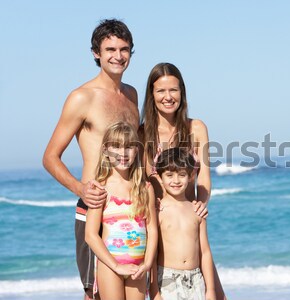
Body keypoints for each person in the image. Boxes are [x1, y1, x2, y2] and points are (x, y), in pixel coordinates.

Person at [42, 19, 139, 300]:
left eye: (124, 49)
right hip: (95, 208)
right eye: (110, 49)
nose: (117, 56)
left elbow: (134, 152)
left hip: (130, 207)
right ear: (96, 52)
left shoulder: (131, 95)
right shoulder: (81, 97)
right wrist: (80, 188)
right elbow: (50, 157)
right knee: (93, 294)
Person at [140, 62, 227, 299]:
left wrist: (202, 203)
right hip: (159, 226)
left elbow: (205, 177)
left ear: (182, 93)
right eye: (161, 91)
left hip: (190, 223)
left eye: (174, 90)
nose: (168, 97)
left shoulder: (196, 128)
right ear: (152, 95)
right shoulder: (142, 133)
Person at [85, 122, 157, 300]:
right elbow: (91, 235)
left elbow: (152, 229)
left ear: (136, 150)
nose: (123, 153)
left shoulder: (145, 188)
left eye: (129, 146)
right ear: (105, 151)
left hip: (138, 267)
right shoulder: (100, 188)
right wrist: (116, 266)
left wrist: (147, 264)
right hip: (110, 266)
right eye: (116, 146)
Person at [151, 147, 216, 300]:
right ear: (160, 178)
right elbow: (152, 254)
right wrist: (154, 291)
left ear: (191, 176)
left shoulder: (196, 210)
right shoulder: (158, 210)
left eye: (182, 175)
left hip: (196, 278)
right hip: (167, 279)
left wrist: (211, 289)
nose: (176, 180)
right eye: (169, 175)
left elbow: (205, 252)